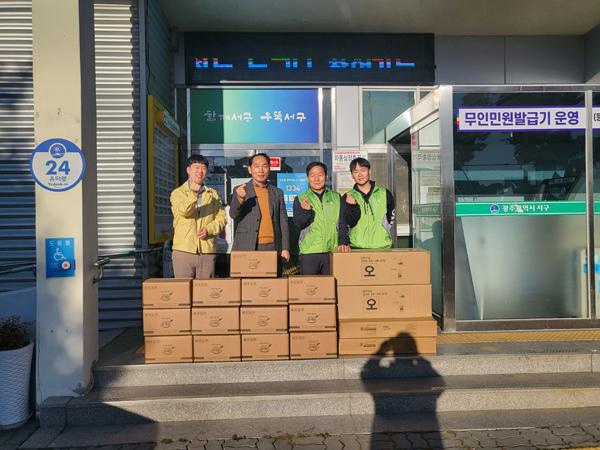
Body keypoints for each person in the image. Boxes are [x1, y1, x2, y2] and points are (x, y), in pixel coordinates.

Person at [293, 162, 356, 275]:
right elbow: (298, 224)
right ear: (307, 178)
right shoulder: (301, 198)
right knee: (309, 285)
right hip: (309, 252)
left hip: (332, 250)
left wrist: (342, 242)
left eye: (320, 175)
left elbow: (342, 223)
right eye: (312, 175)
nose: (317, 179)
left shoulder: (336, 197)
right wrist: (306, 211)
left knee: (332, 284)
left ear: (326, 177)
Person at [170, 154, 227, 278]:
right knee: (183, 288)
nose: (200, 171)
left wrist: (209, 229)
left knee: (206, 288)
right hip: (183, 250)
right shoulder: (177, 193)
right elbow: (184, 211)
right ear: (188, 170)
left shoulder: (213, 194)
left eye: (203, 168)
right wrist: (193, 194)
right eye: (196, 167)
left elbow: (222, 218)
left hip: (206, 250)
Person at [229, 153, 290, 265]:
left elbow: (283, 221)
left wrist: (285, 248)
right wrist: (240, 199)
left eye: (264, 166)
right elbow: (233, 214)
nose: (261, 170)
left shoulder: (277, 192)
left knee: (271, 276)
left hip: (272, 246)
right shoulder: (240, 190)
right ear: (250, 169)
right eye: (256, 166)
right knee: (248, 276)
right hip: (246, 245)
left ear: (269, 168)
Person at [341, 157, 395, 249]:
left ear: (369, 171)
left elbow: (391, 218)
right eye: (355, 172)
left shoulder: (384, 193)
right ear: (352, 175)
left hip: (383, 247)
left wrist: (382, 232)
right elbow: (346, 223)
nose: (360, 175)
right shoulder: (347, 196)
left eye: (363, 170)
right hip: (356, 247)